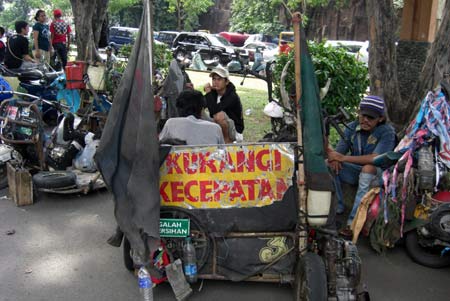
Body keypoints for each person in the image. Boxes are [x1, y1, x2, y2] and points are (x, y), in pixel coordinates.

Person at [327, 96, 396, 236]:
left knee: (368, 167)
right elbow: (338, 153)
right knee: (328, 164)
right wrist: (335, 158)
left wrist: (342, 157)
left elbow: (375, 159)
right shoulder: (352, 127)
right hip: (356, 170)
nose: (365, 120)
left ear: (380, 119)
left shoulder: (387, 132)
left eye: (370, 118)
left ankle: (353, 223)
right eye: (363, 115)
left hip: (380, 174)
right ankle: (338, 207)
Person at [159, 90, 224, 145]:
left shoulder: (171, 123)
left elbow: (160, 146)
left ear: (178, 109)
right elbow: (222, 153)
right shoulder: (215, 128)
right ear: (202, 110)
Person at [204, 66, 244, 143]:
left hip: (235, 131)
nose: (215, 82)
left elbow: (214, 111)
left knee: (219, 115)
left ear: (226, 82)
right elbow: (201, 103)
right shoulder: (214, 92)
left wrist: (208, 93)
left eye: (219, 79)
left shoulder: (232, 96)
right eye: (214, 79)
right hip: (218, 126)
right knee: (199, 110)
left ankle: (227, 141)